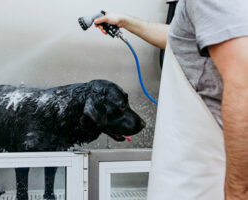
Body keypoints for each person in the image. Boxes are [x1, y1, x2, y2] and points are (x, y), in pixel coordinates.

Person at [94, 1, 248, 199]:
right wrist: (125, 21)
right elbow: (183, 39)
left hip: (203, 177)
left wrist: (237, 192)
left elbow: (242, 83)